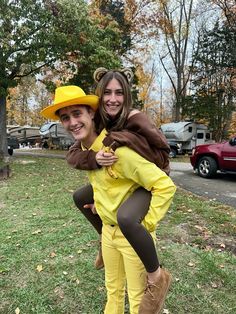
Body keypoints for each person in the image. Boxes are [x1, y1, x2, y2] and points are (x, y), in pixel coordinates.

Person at [40, 84, 176, 314]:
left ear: (91, 113)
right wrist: (101, 206)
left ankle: (158, 277)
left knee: (137, 300)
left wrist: (148, 222)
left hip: (132, 237)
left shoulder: (116, 151)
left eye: (77, 114)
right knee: (112, 290)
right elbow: (104, 184)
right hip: (108, 234)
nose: (72, 122)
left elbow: (164, 185)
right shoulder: (89, 152)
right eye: (65, 118)